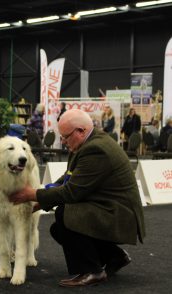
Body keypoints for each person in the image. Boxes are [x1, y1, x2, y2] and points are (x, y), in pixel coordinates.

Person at [9, 109, 145, 288]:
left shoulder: (96, 150)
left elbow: (71, 192)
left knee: (66, 213)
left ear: (81, 130)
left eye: (65, 137)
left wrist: (32, 195)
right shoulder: (84, 143)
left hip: (120, 215)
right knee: (58, 229)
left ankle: (92, 271)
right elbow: (68, 177)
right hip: (108, 206)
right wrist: (41, 199)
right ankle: (114, 257)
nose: (63, 142)